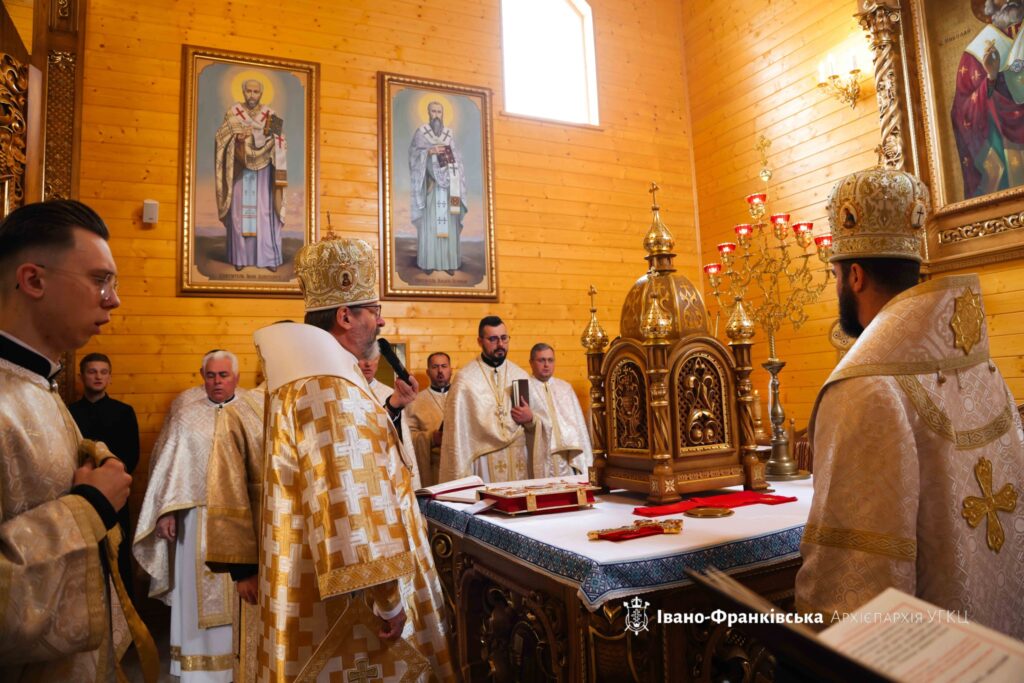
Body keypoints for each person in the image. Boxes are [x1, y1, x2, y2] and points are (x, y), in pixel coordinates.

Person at [795, 167, 1024, 638]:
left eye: (835, 274)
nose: (837, 284)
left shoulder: (865, 387)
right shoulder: (982, 368)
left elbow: (855, 575)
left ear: (854, 276)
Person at [252, 235, 453, 681]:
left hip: (308, 566)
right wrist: (389, 599)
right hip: (352, 595)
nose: (381, 322)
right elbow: (349, 496)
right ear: (345, 316)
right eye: (373, 311)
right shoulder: (329, 385)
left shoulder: (305, 375)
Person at [0, 200, 136, 680]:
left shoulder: (41, 383)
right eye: (100, 280)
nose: (113, 299)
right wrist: (89, 508)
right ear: (33, 280)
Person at [135, 350, 248, 681]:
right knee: (194, 597)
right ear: (202, 376)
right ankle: (197, 672)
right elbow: (170, 469)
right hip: (194, 520)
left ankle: (239, 666)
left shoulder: (252, 412)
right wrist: (166, 513)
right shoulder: (186, 413)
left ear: (236, 377)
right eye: (211, 375)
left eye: (224, 375)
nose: (217, 382)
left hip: (240, 522)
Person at [204, 379, 265, 683]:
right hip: (263, 555)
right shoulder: (240, 411)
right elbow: (226, 489)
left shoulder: (317, 403)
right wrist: (243, 570)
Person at [439, 316, 549, 483]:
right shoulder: (465, 380)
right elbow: (456, 438)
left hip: (519, 460)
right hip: (483, 462)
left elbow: (545, 421)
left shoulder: (519, 374)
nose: (500, 345)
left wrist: (531, 418)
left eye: (504, 338)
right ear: (480, 341)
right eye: (493, 339)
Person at [68, 352, 141, 603]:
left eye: (103, 372)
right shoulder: (69, 413)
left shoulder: (124, 412)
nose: (98, 377)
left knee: (118, 559)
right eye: (92, 371)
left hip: (115, 497)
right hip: (78, 496)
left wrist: (110, 481)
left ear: (110, 377)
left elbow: (132, 454)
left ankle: (126, 631)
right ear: (82, 377)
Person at [951, 0, 1024, 199]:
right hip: (1009, 145)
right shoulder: (975, 52)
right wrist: (991, 78)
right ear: (988, 4)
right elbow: (962, 110)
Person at [214, 78, 286, 272]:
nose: (252, 95)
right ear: (243, 92)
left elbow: (279, 140)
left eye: (256, 92)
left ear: (261, 94)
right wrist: (236, 140)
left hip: (263, 174)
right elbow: (221, 138)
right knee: (239, 213)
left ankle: (268, 258)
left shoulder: (271, 114)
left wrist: (261, 138)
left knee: (264, 213)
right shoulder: (233, 112)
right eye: (248, 91)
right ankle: (240, 257)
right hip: (239, 171)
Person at [408, 101, 465, 275]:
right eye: (433, 111)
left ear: (443, 113)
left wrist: (450, 164)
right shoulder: (421, 133)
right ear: (428, 113)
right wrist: (429, 152)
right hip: (430, 187)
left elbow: (457, 160)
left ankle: (449, 263)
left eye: (439, 112)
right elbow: (414, 156)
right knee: (431, 225)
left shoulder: (449, 134)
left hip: (448, 190)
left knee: (449, 225)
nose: (437, 115)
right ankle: (428, 262)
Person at [527, 343, 593, 476]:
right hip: (541, 457)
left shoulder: (565, 388)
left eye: (550, 360)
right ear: (531, 362)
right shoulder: (526, 387)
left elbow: (579, 426)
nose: (546, 365)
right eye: (541, 360)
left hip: (567, 457)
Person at [359, 354, 422, 488]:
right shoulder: (348, 390)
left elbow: (402, 440)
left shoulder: (390, 394)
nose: (368, 364)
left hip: (388, 468)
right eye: (362, 357)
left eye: (372, 358)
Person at [406, 352, 453, 487]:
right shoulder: (415, 401)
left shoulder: (462, 397)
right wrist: (431, 438)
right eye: (435, 367)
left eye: (444, 366)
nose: (440, 371)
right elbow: (407, 438)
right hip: (433, 472)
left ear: (451, 370)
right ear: (428, 371)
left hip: (461, 468)